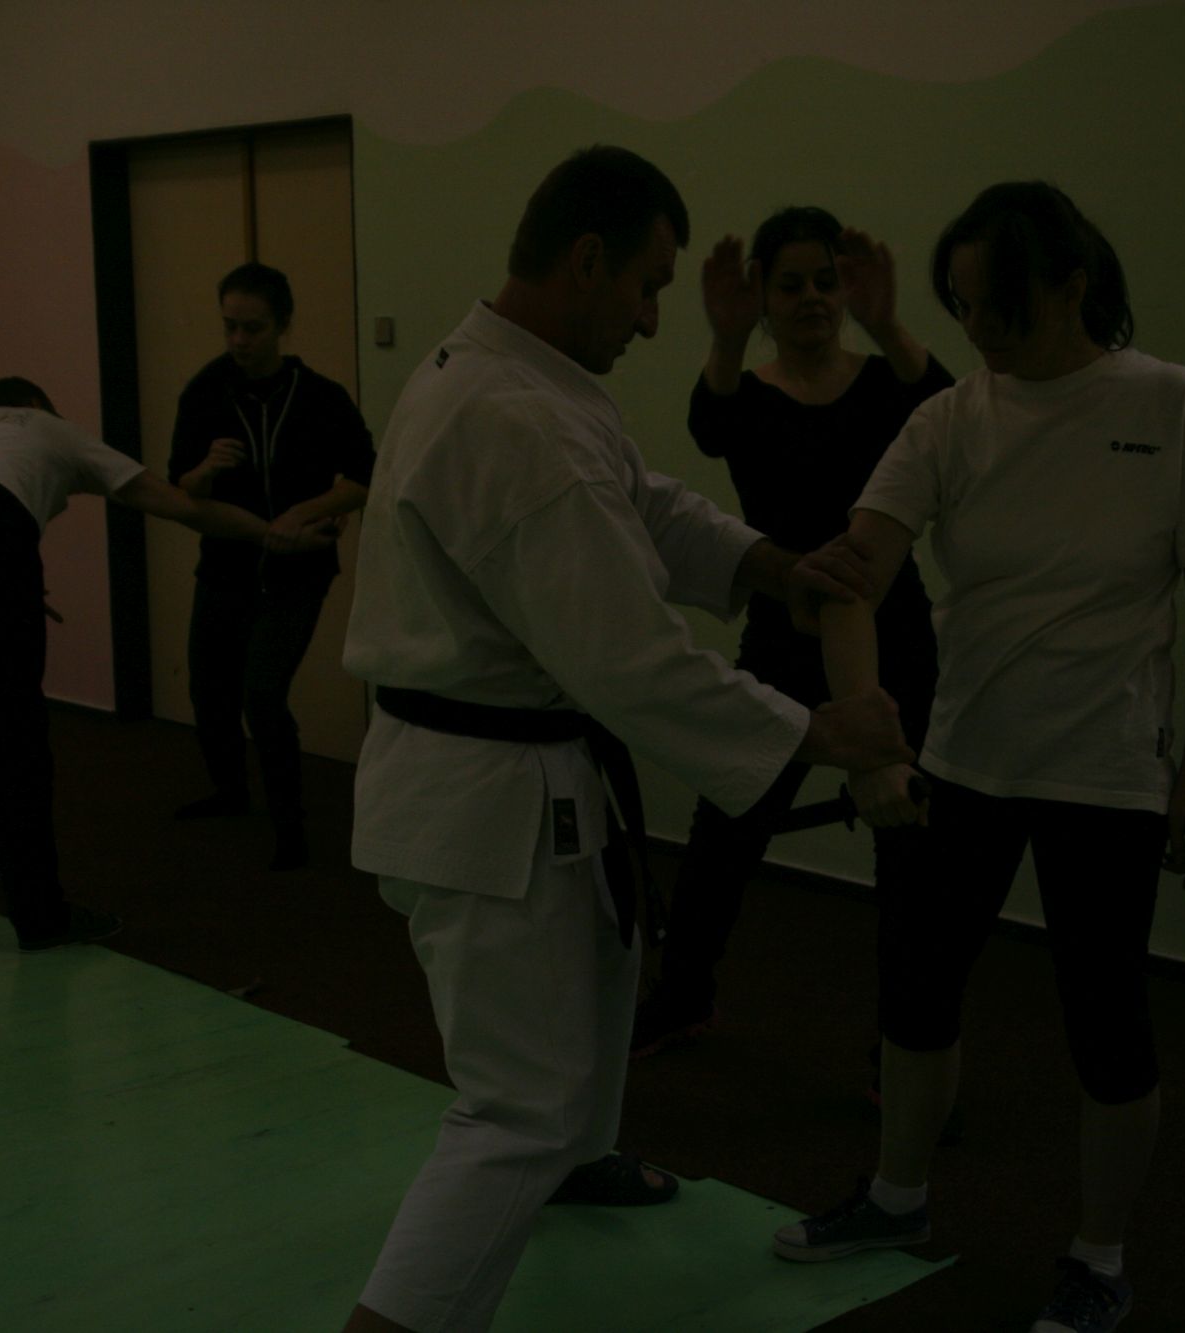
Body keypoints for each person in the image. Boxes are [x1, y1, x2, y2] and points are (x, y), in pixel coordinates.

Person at [339, 147, 915, 1333]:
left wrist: (766, 565)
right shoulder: (510, 417)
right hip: (483, 792)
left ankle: (576, 1156)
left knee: (599, 990)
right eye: (648, 288)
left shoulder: (524, 377)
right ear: (586, 260)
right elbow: (629, 663)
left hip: (517, 769)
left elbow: (641, 499)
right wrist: (816, 731)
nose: (655, 320)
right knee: (513, 1109)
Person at [776, 182, 1185, 1333]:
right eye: (962, 306)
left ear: (1072, 285)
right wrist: (867, 740)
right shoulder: (949, 418)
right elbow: (851, 576)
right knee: (915, 992)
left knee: (1104, 1022)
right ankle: (896, 1197)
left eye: (1000, 306)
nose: (978, 330)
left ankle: (1097, 1258)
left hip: (1106, 774)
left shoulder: (1170, 403)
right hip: (964, 761)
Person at [630, 206, 951, 1058]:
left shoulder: (884, 384)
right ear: (765, 298)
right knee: (727, 824)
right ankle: (684, 995)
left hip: (895, 635)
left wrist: (887, 321)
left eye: (826, 282)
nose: (813, 298)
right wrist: (727, 337)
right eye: (792, 285)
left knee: (907, 848)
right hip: (784, 634)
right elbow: (708, 424)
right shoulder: (749, 394)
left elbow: (945, 408)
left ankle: (901, 1046)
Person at [0, 377, 318, 951]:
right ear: (37, 407)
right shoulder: (49, 428)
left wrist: (10, 589)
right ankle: (42, 917)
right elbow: (183, 506)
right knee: (13, 730)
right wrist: (271, 532)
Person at [167, 262, 376, 869]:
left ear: (283, 325)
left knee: (261, 693)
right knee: (209, 689)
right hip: (225, 565)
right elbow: (182, 486)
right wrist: (205, 469)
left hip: (299, 570)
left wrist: (306, 511)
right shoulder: (205, 391)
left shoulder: (320, 397)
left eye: (252, 328)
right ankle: (230, 791)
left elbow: (365, 477)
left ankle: (290, 826)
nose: (239, 340)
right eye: (229, 326)